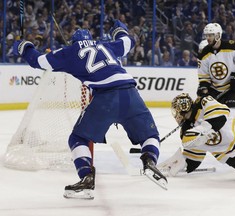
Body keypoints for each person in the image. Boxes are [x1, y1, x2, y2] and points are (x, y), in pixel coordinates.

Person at [13, 20, 167, 199]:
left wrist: (24, 47)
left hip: (105, 98)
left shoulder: (69, 52)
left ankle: (86, 178)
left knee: (78, 138)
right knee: (150, 135)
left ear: (74, 42)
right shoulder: (106, 46)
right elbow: (128, 41)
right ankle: (149, 161)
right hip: (131, 94)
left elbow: (38, 61)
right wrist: (119, 30)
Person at [197, 23, 235, 118]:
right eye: (207, 35)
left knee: (233, 117)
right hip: (214, 90)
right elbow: (204, 77)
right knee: (210, 118)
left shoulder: (232, 47)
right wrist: (204, 89)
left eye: (210, 35)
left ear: (218, 35)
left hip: (233, 89)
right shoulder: (204, 54)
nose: (208, 38)